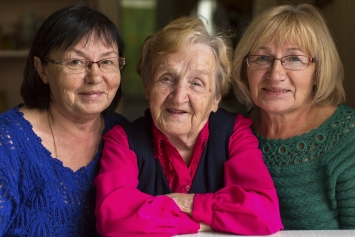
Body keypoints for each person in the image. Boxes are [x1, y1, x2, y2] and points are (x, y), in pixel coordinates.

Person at [95, 16, 283, 236]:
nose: (178, 96)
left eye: (196, 83)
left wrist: (185, 202)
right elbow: (113, 220)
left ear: (215, 98)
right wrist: (202, 223)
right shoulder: (122, 140)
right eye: (166, 78)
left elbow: (265, 213)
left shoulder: (235, 133)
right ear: (147, 87)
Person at [0, 4, 127, 236]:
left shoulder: (125, 134)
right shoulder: (7, 142)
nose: (95, 77)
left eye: (107, 61)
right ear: (42, 69)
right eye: (76, 62)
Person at [232, 3, 355, 230]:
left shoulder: (349, 139)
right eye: (262, 58)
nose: (275, 74)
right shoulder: (232, 134)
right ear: (245, 67)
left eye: (295, 59)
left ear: (318, 72)